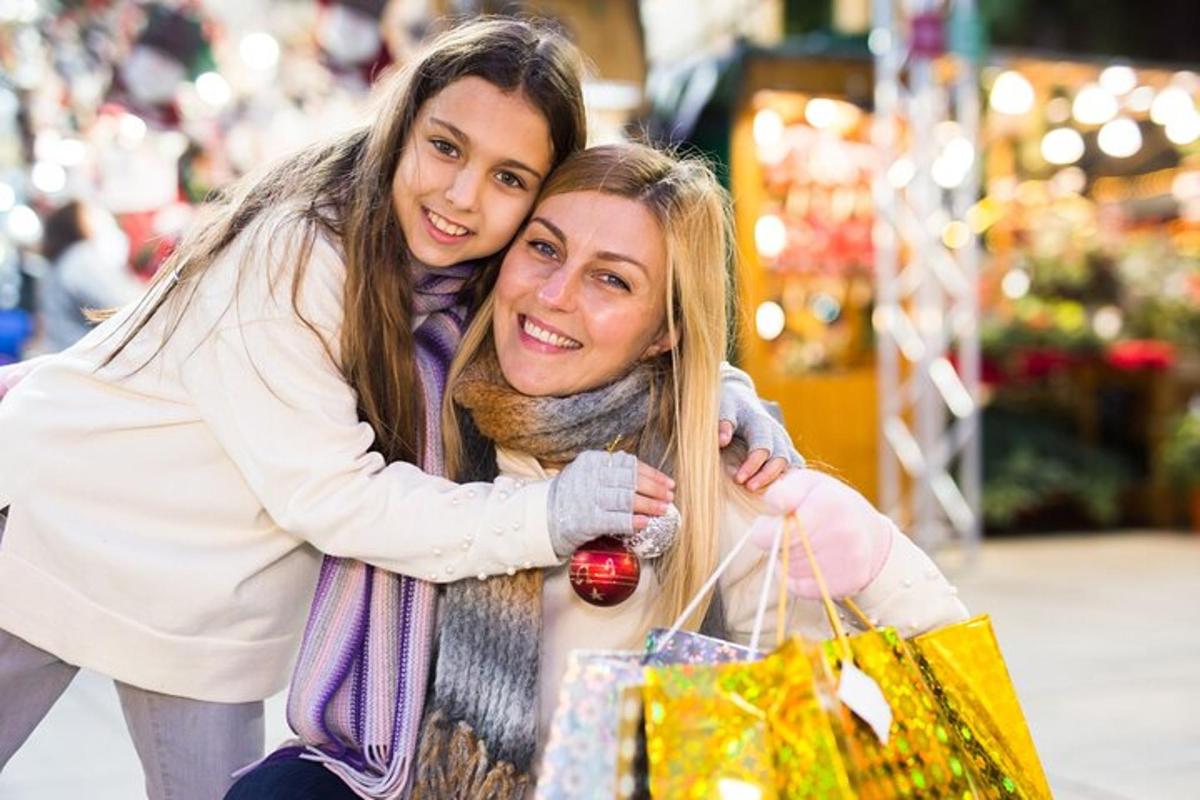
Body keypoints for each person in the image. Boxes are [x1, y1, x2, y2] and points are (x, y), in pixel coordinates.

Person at [0, 20, 797, 800]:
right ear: (402, 127)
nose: (461, 195)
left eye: (509, 177)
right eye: (446, 147)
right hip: (57, 522)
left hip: (205, 602)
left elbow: (617, 316)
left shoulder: (470, 275)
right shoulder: (296, 251)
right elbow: (339, 499)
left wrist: (719, 394)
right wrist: (545, 513)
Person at [226, 144, 968, 799]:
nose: (554, 295)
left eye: (612, 281)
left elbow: (934, 691)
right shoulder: (418, 405)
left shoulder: (711, 473)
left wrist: (873, 554)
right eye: (544, 249)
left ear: (664, 332)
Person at [38, 199, 145, 351]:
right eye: (91, 216)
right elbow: (127, 307)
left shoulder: (61, 264)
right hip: (88, 362)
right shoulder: (80, 258)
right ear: (75, 224)